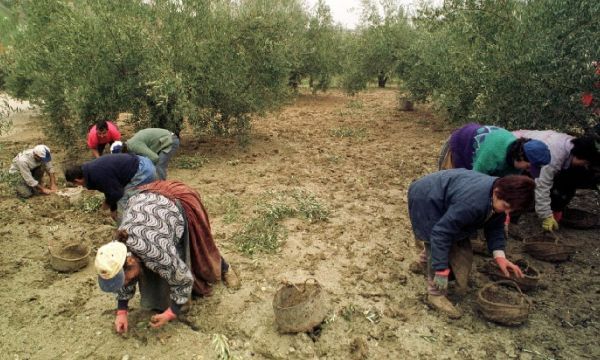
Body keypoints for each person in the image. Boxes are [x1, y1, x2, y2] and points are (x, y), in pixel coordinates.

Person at [94, 180, 240, 333]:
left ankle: (224, 268)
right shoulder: (115, 249)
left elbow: (183, 278)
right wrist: (122, 312)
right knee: (154, 267)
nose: (127, 282)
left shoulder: (155, 252)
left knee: (199, 249)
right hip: (145, 205)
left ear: (130, 260)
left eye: (128, 278)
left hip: (175, 202)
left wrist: (171, 313)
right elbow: (123, 278)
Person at [408, 169, 535, 318]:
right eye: (506, 206)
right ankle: (435, 295)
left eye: (512, 210)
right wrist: (441, 269)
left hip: (447, 194)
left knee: (453, 234)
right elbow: (441, 233)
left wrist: (499, 256)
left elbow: (495, 226)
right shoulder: (474, 203)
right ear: (497, 192)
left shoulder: (500, 194)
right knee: (434, 237)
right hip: (427, 198)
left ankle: (421, 262)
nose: (507, 212)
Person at [512, 130, 600, 231]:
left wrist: (557, 208)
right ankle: (509, 221)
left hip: (530, 153)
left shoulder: (573, 145)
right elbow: (542, 185)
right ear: (578, 156)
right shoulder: (553, 156)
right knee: (520, 186)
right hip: (516, 152)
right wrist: (546, 216)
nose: (584, 165)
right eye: (585, 162)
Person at [64, 153, 157, 220]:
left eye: (75, 184)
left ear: (77, 180)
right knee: (137, 199)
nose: (79, 186)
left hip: (143, 171)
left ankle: (125, 233)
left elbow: (117, 193)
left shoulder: (96, 174)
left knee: (123, 202)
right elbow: (109, 188)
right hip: (142, 162)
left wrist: (110, 207)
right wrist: (110, 205)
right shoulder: (89, 169)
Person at [439, 123, 551, 178]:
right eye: (528, 167)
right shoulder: (492, 154)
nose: (527, 171)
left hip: (482, 151)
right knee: (451, 181)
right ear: (521, 156)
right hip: (461, 142)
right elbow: (473, 183)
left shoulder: (517, 163)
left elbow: (502, 185)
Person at [110, 128, 180, 180]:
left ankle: (161, 189)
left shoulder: (134, 146)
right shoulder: (130, 146)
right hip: (163, 140)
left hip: (170, 140)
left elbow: (154, 158)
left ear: (123, 151)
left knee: (159, 165)